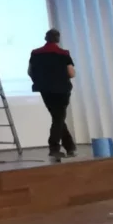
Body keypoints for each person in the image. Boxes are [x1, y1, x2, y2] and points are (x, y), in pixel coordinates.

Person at [28, 28, 76, 159]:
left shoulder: (35, 53)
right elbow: (71, 73)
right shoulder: (63, 54)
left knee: (57, 117)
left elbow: (30, 72)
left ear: (46, 38)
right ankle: (54, 147)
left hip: (45, 90)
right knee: (58, 118)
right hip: (62, 90)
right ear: (58, 39)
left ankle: (70, 147)